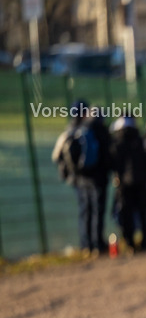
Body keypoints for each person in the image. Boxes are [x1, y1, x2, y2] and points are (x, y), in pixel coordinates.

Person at [52, 99, 111, 257]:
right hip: (98, 177)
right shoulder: (95, 128)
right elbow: (107, 154)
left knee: (84, 211)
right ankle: (97, 244)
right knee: (97, 210)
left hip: (79, 178)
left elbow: (57, 155)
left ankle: (86, 245)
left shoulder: (70, 130)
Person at [109, 116, 146, 253]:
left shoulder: (117, 142)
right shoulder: (141, 140)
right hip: (141, 182)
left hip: (124, 185)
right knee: (143, 214)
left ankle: (130, 243)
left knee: (126, 215)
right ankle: (145, 242)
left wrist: (117, 176)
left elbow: (112, 162)